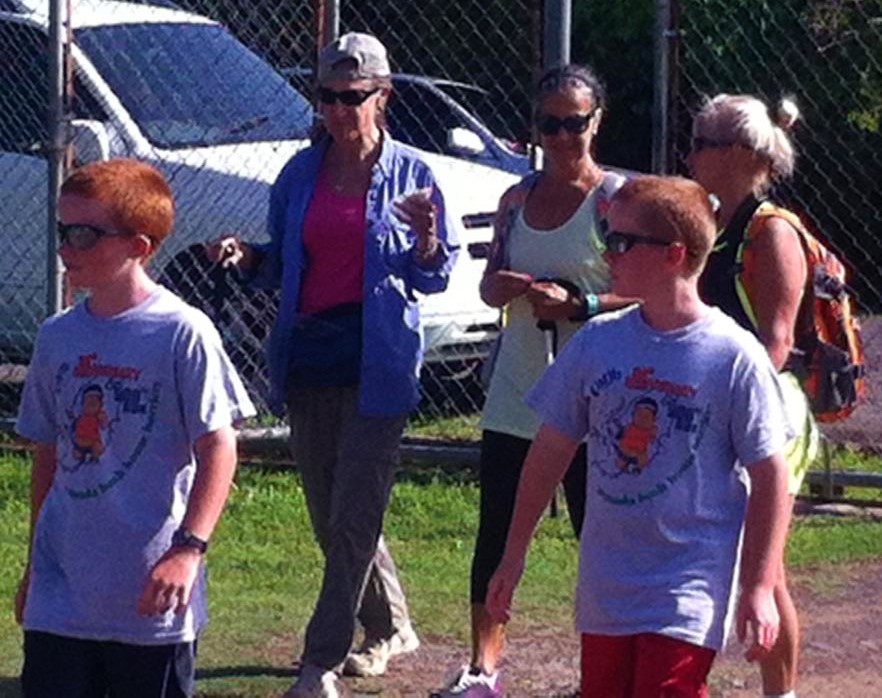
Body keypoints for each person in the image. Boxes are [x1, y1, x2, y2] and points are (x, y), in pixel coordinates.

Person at [206, 32, 457, 698]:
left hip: (378, 363)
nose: (339, 111)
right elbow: (282, 266)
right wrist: (247, 257)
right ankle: (392, 626)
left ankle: (320, 661)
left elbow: (435, 275)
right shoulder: (298, 174)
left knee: (354, 514)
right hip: (309, 355)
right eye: (327, 97)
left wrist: (428, 238)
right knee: (333, 516)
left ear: (384, 95)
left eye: (354, 97)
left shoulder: (413, 173)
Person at [485, 175, 794, 698]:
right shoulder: (600, 342)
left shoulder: (732, 355)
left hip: (687, 581)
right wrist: (512, 555)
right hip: (608, 581)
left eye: (623, 241)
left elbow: (771, 476)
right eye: (608, 236)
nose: (609, 252)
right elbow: (549, 451)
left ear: (674, 254)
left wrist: (760, 585)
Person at [13, 158, 256, 698]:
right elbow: (48, 454)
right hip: (63, 594)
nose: (65, 247)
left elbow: (219, 446)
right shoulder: (57, 336)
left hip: (151, 595)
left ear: (139, 247)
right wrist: (36, 565)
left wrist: (188, 550)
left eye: (83, 234)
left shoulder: (182, 332)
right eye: (62, 231)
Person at [433, 64, 634, 698]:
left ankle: (604, 671)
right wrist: (513, 287)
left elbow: (646, 291)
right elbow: (491, 282)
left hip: (595, 398)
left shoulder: (614, 202)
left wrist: (583, 304)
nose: (562, 137)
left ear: (595, 122)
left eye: (574, 124)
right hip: (519, 389)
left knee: (595, 534)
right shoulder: (516, 199)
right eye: (549, 124)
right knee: (496, 530)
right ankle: (483, 666)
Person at [691, 94, 820, 698]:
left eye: (702, 144)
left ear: (742, 154)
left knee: (766, 568)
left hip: (767, 409)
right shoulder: (712, 224)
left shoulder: (770, 231)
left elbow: (777, 340)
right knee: (733, 557)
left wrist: (728, 402)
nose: (690, 155)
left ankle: (782, 693)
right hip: (717, 405)